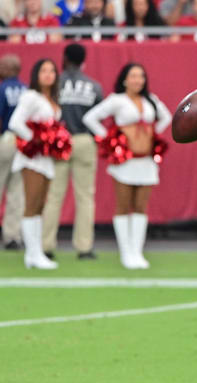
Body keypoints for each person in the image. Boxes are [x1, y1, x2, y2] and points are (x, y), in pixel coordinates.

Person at [83, 63, 171, 269]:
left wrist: (153, 134)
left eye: (141, 76)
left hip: (146, 160)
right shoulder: (117, 100)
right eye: (133, 76)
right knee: (123, 205)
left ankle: (137, 252)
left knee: (141, 206)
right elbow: (90, 118)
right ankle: (125, 252)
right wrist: (110, 139)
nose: (137, 80)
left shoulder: (151, 100)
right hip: (124, 161)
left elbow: (166, 116)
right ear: (124, 79)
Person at [9, 59, 72, 269]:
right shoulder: (30, 96)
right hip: (32, 159)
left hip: (46, 159)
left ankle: (36, 253)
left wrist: (53, 144)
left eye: (52, 71)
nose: (48, 74)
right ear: (36, 74)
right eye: (43, 70)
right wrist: (34, 142)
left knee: (40, 206)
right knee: (32, 204)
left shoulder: (52, 98)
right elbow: (15, 122)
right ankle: (32, 254)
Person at [42, 44, 104, 261]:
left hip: (59, 139)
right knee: (85, 196)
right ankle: (84, 247)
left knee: (53, 195)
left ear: (65, 58)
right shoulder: (94, 86)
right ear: (83, 60)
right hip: (84, 139)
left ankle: (46, 246)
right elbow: (99, 116)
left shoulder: (54, 84)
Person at [0, 54, 26, 251]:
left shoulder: (2, 88)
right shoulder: (26, 90)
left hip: (6, 138)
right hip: (23, 141)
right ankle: (12, 236)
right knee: (17, 191)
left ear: (9, 69)